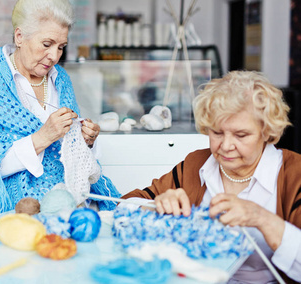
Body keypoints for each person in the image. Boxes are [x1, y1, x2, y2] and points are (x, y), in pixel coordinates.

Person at [122, 71, 301, 283]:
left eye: (240, 135)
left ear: (267, 131)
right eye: (216, 132)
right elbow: (122, 207)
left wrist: (263, 219)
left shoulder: (295, 174)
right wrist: (153, 206)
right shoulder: (196, 164)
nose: (225, 146)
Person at [0, 0, 120, 214]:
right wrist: (43, 137)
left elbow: (72, 155)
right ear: (19, 37)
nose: (55, 56)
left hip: (72, 200)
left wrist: (86, 140)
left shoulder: (61, 79)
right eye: (47, 44)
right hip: (21, 208)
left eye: (61, 47)